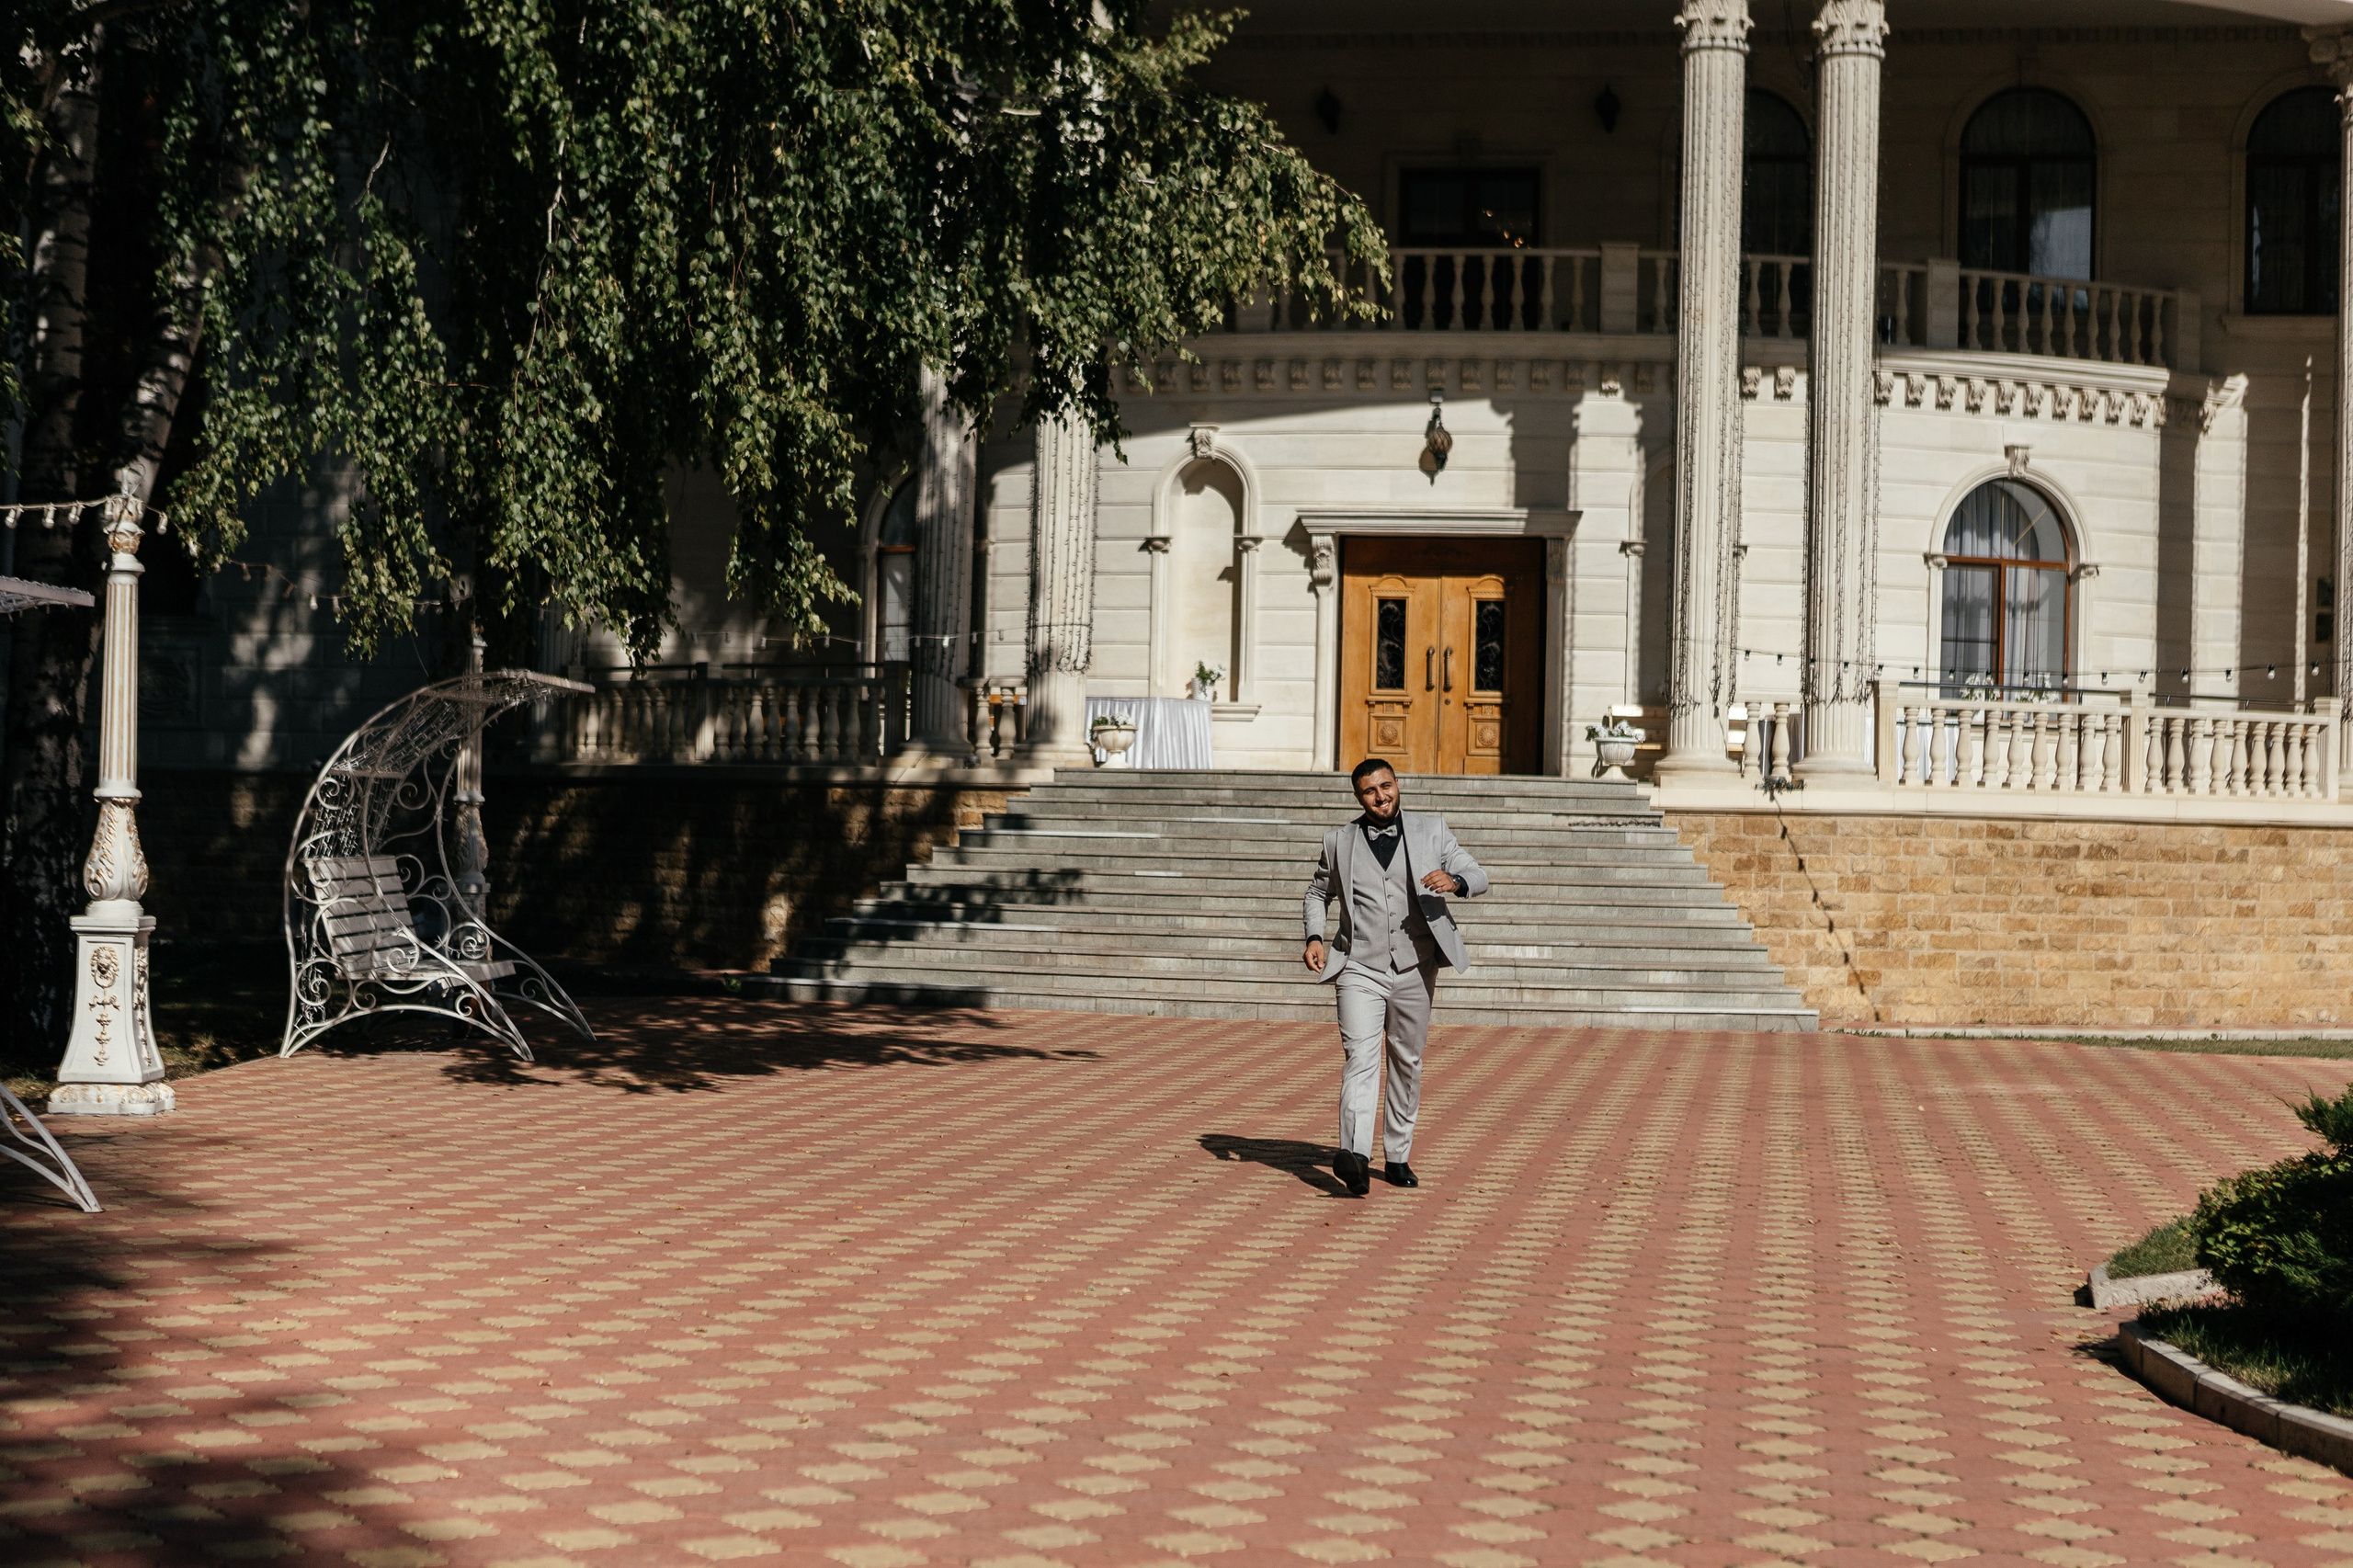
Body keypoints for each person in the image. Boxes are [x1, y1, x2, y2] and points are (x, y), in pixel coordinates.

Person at [1300, 757, 1488, 1197]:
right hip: (1358, 965)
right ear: (1358, 796)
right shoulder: (1338, 841)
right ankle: (1356, 1157)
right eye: (1370, 791)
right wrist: (1313, 935)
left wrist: (1456, 881)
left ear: (1397, 785)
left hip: (1414, 966)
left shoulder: (1432, 830)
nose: (1381, 796)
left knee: (1406, 1060)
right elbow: (1317, 891)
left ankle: (1398, 1154)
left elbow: (1479, 875)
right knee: (1360, 1059)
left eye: (1386, 786)